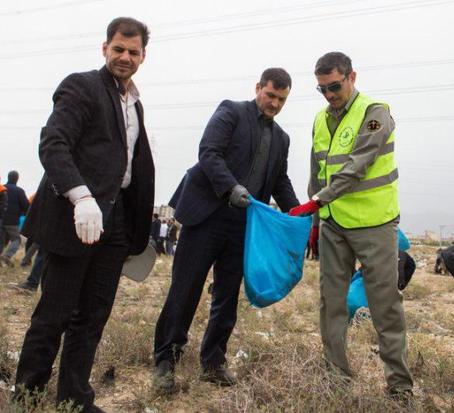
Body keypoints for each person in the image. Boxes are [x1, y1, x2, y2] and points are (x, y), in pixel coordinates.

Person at [13, 17, 154, 413]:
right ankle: (27, 395)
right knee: (53, 314)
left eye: (133, 51)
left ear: (144, 55)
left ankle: (74, 400)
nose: (125, 57)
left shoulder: (135, 104)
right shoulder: (81, 86)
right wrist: (81, 197)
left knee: (92, 317)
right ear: (104, 48)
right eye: (118, 49)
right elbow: (53, 143)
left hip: (116, 224)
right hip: (77, 218)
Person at [153, 68, 299, 393]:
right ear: (258, 87)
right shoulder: (231, 111)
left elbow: (279, 180)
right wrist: (231, 187)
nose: (274, 103)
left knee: (227, 294)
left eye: (281, 99)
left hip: (243, 225)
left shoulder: (281, 138)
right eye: (270, 95)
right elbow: (209, 153)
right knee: (186, 288)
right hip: (208, 214)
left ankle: (214, 362)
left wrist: (297, 213)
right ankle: (165, 359)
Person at [289, 52, 413, 397]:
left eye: (334, 86)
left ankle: (400, 386)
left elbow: (358, 165)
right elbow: (317, 172)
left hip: (374, 224)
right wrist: (316, 217)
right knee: (331, 301)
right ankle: (336, 377)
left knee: (384, 304)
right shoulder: (320, 120)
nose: (329, 95)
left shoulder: (376, 114)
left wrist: (318, 200)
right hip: (333, 225)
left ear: (351, 77)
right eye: (322, 89)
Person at [0, 171, 30, 267]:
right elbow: (26, 206)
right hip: (11, 221)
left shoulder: (2, 189)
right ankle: (7, 256)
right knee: (16, 239)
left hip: (1, 218)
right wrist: (23, 213)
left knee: (2, 240)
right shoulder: (19, 191)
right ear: (17, 179)